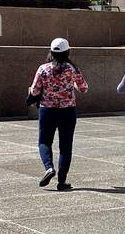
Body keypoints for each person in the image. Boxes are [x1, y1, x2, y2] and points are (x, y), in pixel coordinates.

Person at [29, 37, 88, 191]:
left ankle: (49, 168)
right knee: (66, 147)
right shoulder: (72, 69)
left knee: (44, 142)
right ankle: (62, 182)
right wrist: (72, 85)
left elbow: (35, 90)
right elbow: (84, 88)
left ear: (51, 52)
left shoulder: (43, 68)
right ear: (67, 51)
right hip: (68, 111)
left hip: (47, 110)